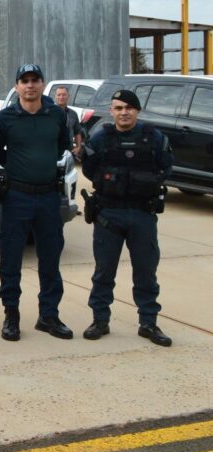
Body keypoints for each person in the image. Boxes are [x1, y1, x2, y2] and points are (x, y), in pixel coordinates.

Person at [82, 90, 174, 346]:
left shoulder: (153, 137)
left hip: (142, 214)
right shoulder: (102, 137)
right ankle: (100, 320)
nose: (124, 112)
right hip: (109, 214)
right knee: (104, 271)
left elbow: (166, 165)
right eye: (118, 108)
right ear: (111, 111)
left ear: (137, 111)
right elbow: (89, 168)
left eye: (129, 108)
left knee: (146, 271)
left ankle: (148, 322)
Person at [0, 64, 72, 341]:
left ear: (42, 83)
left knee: (50, 257)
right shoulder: (4, 119)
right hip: (17, 196)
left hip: (48, 197)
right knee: (11, 257)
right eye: (24, 81)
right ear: (16, 86)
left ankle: (48, 315)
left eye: (35, 80)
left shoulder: (55, 116)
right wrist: (17, 165)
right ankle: (11, 314)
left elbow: (61, 146)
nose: (30, 85)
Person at [53, 86, 84, 157]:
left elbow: (77, 132)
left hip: (68, 152)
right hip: (52, 151)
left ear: (68, 96)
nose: (61, 97)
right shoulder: (49, 113)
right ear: (55, 96)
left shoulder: (73, 113)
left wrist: (78, 147)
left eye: (64, 95)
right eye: (59, 95)